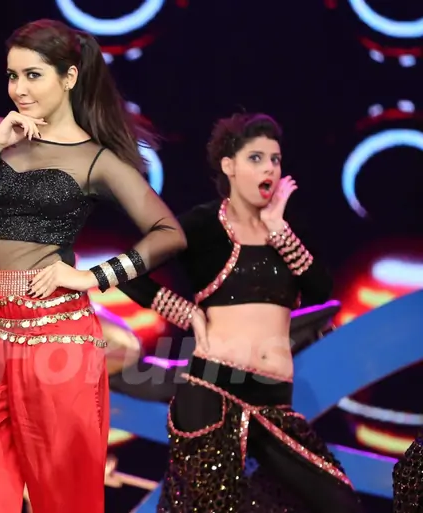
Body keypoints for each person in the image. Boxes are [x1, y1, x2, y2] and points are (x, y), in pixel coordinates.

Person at [0, 19, 187, 513]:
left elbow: (169, 233)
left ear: (69, 77)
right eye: (12, 76)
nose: (19, 89)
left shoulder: (95, 159)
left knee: (62, 495)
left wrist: (91, 277)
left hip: (56, 337)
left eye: (33, 75)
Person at [116, 112, 364, 512]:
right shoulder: (202, 225)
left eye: (275, 159)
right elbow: (127, 271)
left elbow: (320, 289)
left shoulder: (286, 229)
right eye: (256, 158)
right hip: (212, 392)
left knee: (338, 503)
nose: (270, 168)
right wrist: (186, 312)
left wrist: (278, 229)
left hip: (274, 402)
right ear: (228, 166)